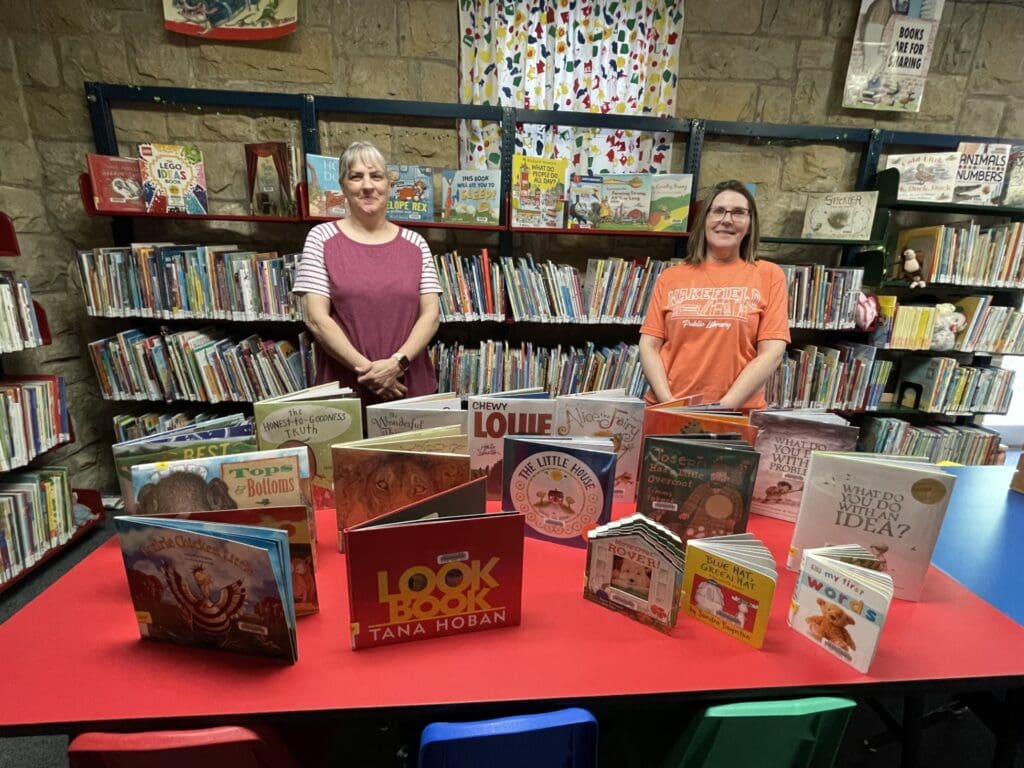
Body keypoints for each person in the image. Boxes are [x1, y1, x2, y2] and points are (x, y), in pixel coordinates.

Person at [292, 141, 441, 405]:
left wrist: (397, 364)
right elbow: (316, 319)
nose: (368, 185)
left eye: (376, 176)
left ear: (389, 185)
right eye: (356, 176)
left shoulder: (416, 243)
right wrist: (372, 374)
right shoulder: (321, 238)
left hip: (408, 387)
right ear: (342, 185)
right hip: (345, 392)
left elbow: (430, 315)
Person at [639, 179, 789, 410]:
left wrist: (722, 408)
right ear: (705, 220)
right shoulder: (671, 277)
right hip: (668, 408)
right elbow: (649, 346)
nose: (727, 220)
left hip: (736, 413)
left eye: (738, 212)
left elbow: (772, 353)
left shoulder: (769, 275)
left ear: (750, 224)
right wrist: (668, 403)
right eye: (718, 211)